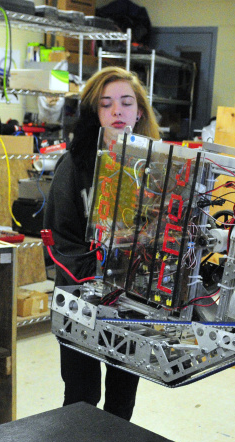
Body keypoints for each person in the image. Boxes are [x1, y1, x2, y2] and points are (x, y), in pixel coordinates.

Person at [43, 67, 161, 420]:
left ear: (139, 112)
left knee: (123, 396)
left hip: (132, 300)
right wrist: (98, 274)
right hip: (79, 296)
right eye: (106, 104)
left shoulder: (155, 167)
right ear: (95, 114)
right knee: (81, 395)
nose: (117, 111)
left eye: (126, 102)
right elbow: (59, 237)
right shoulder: (74, 165)